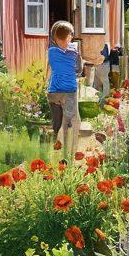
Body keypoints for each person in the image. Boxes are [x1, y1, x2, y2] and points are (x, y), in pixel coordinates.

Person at [45, 20, 83, 159]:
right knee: (71, 122)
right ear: (69, 37)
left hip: (54, 92)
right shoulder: (74, 53)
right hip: (69, 91)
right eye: (70, 36)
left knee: (57, 120)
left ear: (54, 38)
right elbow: (79, 70)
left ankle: (55, 142)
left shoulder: (51, 52)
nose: (71, 38)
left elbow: (50, 69)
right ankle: (68, 153)